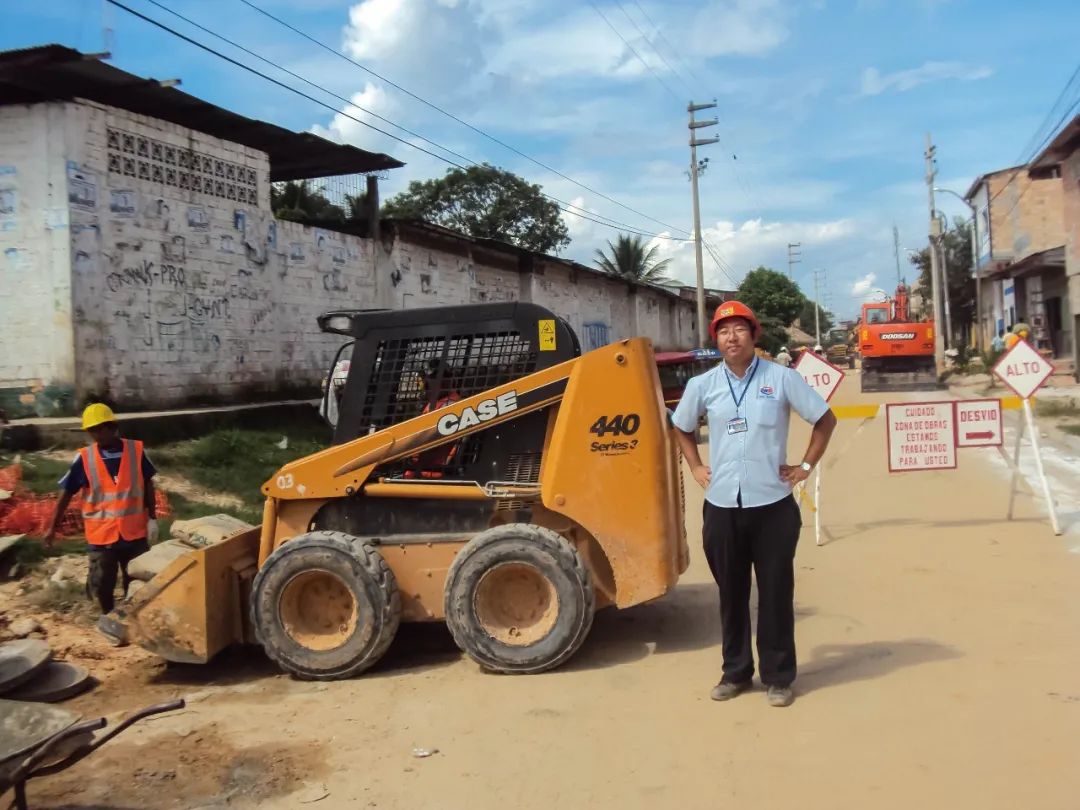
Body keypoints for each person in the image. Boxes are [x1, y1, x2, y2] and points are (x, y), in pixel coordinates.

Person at [671, 301, 837, 708]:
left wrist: (805, 465)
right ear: (716, 339)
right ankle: (736, 671)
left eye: (739, 329)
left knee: (776, 592)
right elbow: (681, 427)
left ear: (754, 334)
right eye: (724, 330)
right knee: (731, 593)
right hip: (723, 507)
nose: (732, 336)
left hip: (772, 506)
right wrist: (695, 466)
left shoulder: (781, 379)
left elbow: (824, 419)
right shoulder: (702, 386)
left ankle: (779, 677)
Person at [44, 404, 158, 638]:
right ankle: (109, 619)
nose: (95, 435)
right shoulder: (84, 458)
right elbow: (66, 493)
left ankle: (131, 621)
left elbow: (148, 485)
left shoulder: (136, 451)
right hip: (101, 536)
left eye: (98, 429)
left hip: (133, 533)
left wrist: (153, 518)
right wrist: (51, 528)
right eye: (91, 431)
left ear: (112, 427)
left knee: (134, 580)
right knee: (102, 583)